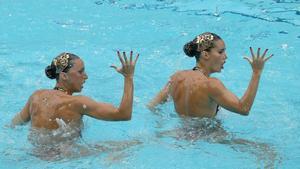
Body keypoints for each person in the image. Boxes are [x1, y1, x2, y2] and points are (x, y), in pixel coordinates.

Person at [11, 51, 139, 141]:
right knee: (131, 145)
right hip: (66, 158)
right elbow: (124, 114)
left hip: (36, 156)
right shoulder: (77, 102)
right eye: (80, 72)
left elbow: (14, 125)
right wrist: (128, 77)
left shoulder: (36, 96)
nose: (86, 76)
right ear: (64, 76)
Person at [148, 32, 273, 117]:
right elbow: (244, 109)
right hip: (208, 138)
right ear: (205, 55)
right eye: (220, 52)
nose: (225, 57)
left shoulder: (176, 77)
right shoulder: (211, 84)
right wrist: (256, 72)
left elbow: (152, 106)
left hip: (181, 137)